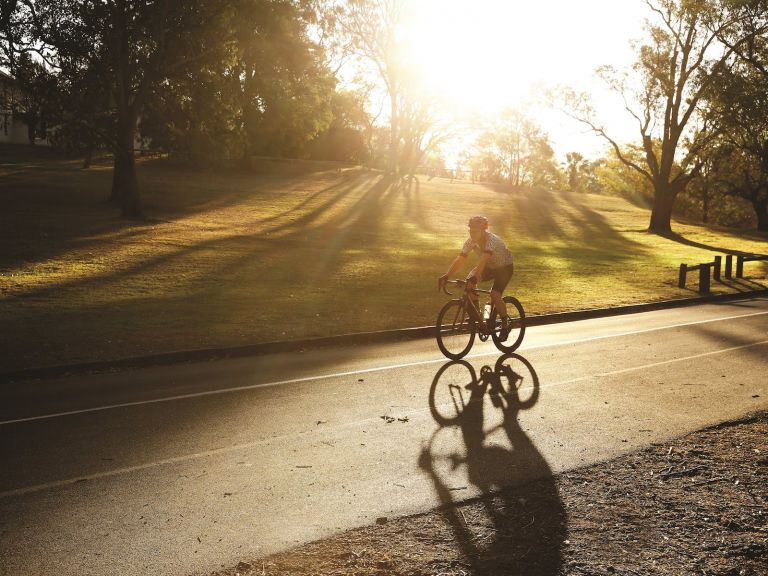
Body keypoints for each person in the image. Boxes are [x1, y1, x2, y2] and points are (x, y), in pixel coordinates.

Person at [438, 215, 514, 337]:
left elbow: (484, 259)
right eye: (470, 231)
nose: (472, 234)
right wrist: (447, 275)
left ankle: (505, 323)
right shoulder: (471, 242)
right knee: (469, 281)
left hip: (504, 268)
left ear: (483, 230)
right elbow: (461, 259)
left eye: (475, 232)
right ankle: (477, 316)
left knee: (494, 294)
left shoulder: (491, 240)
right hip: (490, 267)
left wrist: (476, 277)